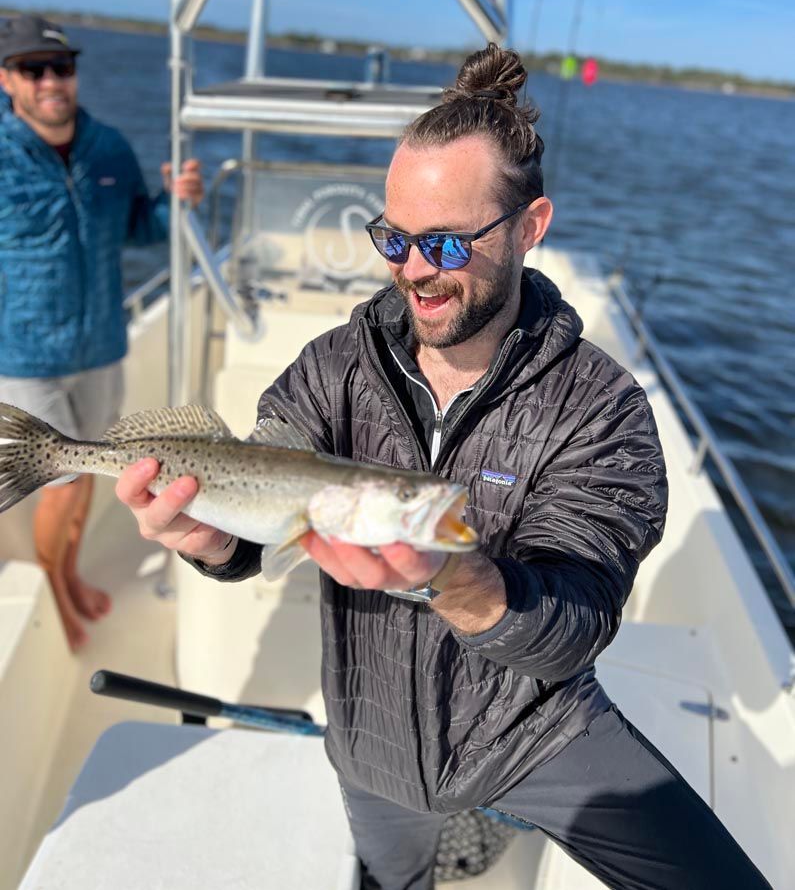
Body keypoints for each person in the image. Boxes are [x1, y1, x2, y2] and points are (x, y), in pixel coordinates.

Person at [115, 44, 770, 889]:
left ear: (529, 227)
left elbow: (576, 621)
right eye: (393, 238)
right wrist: (211, 541)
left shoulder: (602, 409)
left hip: (537, 732)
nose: (414, 271)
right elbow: (260, 508)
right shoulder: (331, 366)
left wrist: (461, 583)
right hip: (372, 742)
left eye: (448, 245)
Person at [0, 13, 204, 651]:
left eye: (60, 67)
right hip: (25, 355)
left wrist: (176, 201)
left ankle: (71, 572)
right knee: (60, 483)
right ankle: (56, 588)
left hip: (102, 346)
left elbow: (140, 227)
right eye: (33, 69)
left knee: (88, 472)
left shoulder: (109, 147)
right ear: (7, 79)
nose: (50, 80)